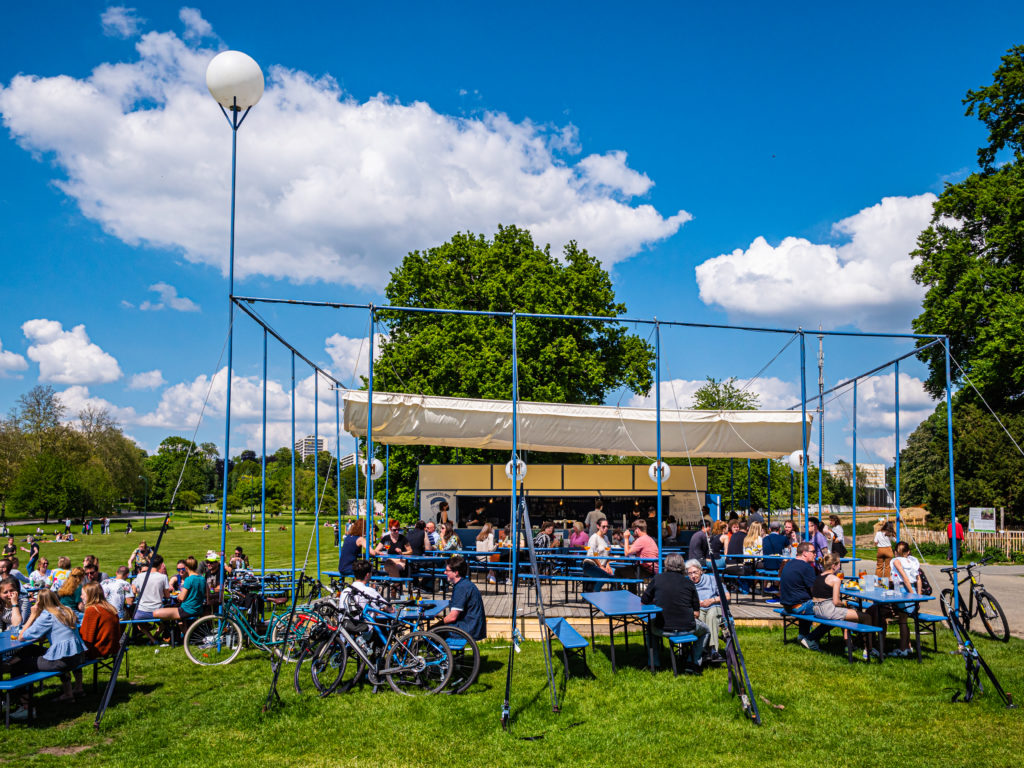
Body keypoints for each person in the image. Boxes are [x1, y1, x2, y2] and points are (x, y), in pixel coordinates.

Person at [14, 588, 86, 701]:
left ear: (39, 602)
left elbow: (22, 636)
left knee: (19, 665)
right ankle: (68, 693)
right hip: (77, 656)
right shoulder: (66, 610)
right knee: (31, 649)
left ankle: (24, 705)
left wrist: (33, 615)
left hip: (62, 661)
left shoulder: (47, 616)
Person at [641, 553, 709, 673]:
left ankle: (654, 663)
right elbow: (697, 613)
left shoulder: (658, 579)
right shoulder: (689, 583)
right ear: (682, 566)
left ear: (666, 564)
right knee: (706, 631)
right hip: (687, 628)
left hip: (662, 628)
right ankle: (692, 662)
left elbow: (644, 601)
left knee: (650, 629)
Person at [779, 542, 829, 650]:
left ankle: (803, 635)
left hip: (787, 605)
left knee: (807, 600)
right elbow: (815, 591)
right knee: (834, 612)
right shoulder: (807, 567)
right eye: (813, 552)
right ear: (805, 553)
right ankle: (811, 638)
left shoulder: (789, 563)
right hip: (798, 607)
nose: (815, 554)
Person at [685, 559, 726, 662]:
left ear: (701, 571)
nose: (693, 576)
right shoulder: (688, 584)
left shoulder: (712, 579)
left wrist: (712, 600)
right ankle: (703, 650)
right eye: (690, 573)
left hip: (714, 605)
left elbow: (727, 596)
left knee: (712, 615)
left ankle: (713, 650)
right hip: (699, 609)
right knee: (701, 618)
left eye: (695, 572)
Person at [888, 541, 923, 657]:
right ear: (908, 552)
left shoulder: (896, 561)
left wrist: (912, 595)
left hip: (904, 590)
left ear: (895, 552)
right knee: (905, 618)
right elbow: (918, 579)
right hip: (913, 589)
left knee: (902, 620)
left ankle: (902, 648)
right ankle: (908, 646)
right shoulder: (914, 561)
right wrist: (918, 595)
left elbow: (905, 578)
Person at [441, 555, 486, 640]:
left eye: (447, 570)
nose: (445, 572)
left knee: (435, 631)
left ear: (456, 572)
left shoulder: (461, 587)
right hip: (473, 626)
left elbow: (453, 617)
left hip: (468, 628)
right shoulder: (465, 584)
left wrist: (438, 624)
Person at [154, 556, 206, 623]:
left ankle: (166, 630)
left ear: (186, 568)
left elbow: (181, 598)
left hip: (187, 610)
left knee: (156, 613)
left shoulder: (189, 579)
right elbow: (207, 594)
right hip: (199, 609)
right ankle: (185, 633)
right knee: (179, 621)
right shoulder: (202, 579)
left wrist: (179, 596)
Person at [79, 582, 121, 659]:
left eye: (83, 594)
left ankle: (76, 671)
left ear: (90, 595)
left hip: (99, 650)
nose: (81, 597)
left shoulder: (92, 610)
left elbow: (87, 637)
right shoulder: (110, 608)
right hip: (113, 648)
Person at [373, 521, 412, 598]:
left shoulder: (403, 538)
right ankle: (397, 586)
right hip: (390, 561)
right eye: (394, 530)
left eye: (398, 529)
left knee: (392, 568)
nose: (397, 531)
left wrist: (402, 553)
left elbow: (410, 551)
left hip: (400, 561)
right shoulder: (386, 538)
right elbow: (376, 550)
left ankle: (394, 589)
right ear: (390, 529)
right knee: (390, 564)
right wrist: (379, 552)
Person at [617, 519, 659, 586]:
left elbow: (626, 553)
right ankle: (631, 594)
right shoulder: (648, 538)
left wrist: (626, 538)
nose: (633, 532)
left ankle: (623, 593)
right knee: (629, 573)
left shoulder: (641, 539)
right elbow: (633, 547)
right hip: (653, 569)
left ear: (637, 529)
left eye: (633, 530)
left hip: (647, 570)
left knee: (618, 572)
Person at [132, 554, 170, 622]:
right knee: (167, 622)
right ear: (161, 564)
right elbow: (167, 596)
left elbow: (133, 590)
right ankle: (157, 633)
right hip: (158, 610)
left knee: (137, 622)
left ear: (149, 562)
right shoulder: (163, 577)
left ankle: (148, 633)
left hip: (141, 611)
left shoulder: (140, 576)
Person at [583, 519, 613, 592]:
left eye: (607, 526)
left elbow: (609, 553)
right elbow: (592, 554)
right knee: (604, 576)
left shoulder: (606, 538)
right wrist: (601, 566)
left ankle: (612, 597)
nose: (606, 528)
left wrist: (608, 565)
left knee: (615, 578)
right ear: (598, 526)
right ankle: (595, 595)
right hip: (590, 565)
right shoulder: (594, 538)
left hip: (601, 566)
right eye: (603, 526)